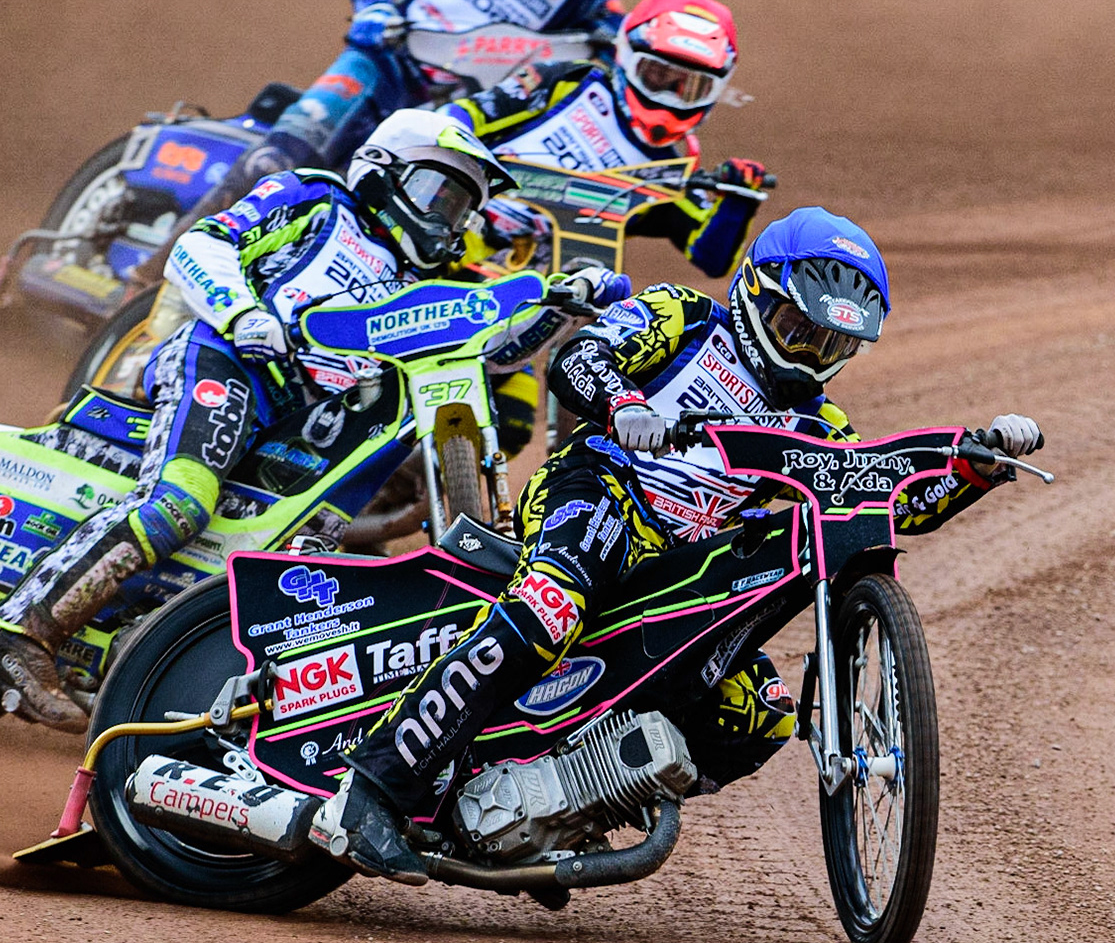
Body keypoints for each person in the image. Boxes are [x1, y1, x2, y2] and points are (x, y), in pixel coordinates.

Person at [311, 207, 1045, 882]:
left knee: (758, 717)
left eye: (831, 343)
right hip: (598, 491)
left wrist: (975, 468)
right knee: (550, 608)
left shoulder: (820, 423)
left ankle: (562, 803)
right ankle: (373, 786)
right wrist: (626, 402)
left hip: (679, 566)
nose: (810, 354)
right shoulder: (687, 319)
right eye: (798, 329)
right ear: (757, 294)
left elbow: (885, 501)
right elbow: (580, 358)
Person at [0, 111, 549, 730]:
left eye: (461, 210)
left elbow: (488, 356)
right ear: (385, 170)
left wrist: (561, 306)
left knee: (293, 561)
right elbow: (200, 246)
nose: (446, 220)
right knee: (180, 503)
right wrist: (242, 313)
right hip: (224, 360)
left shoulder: (414, 283)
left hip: (298, 414)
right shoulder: (317, 199)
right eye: (441, 194)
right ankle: (15, 639)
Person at [445, 0, 772, 280]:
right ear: (628, 56)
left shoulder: (672, 173)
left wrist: (738, 201)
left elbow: (710, 258)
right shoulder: (569, 83)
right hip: (436, 224)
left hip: (496, 292)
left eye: (689, 87)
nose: (669, 96)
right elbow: (464, 116)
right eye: (658, 75)